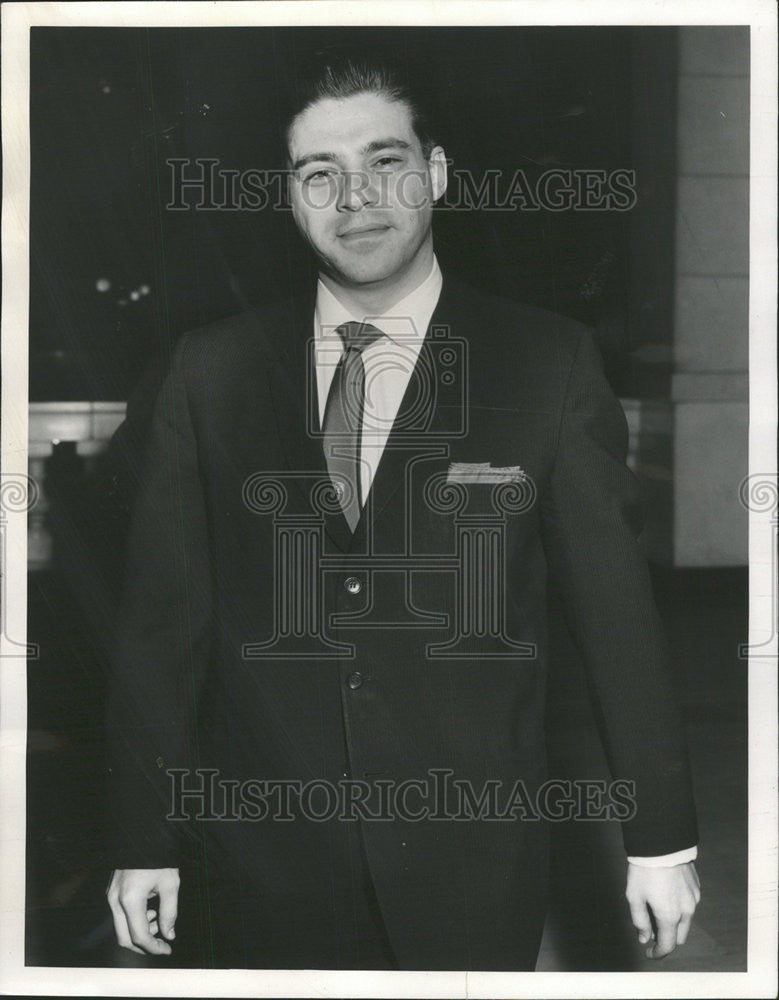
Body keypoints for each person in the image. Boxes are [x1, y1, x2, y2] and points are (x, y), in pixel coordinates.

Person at [105, 47, 700, 971]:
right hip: (261, 861)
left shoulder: (546, 365)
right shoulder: (208, 373)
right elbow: (160, 631)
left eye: (384, 163)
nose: (356, 199)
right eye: (320, 175)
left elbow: (615, 616)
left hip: (471, 857)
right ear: (288, 196)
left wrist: (659, 838)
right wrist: (143, 837)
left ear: (435, 172)